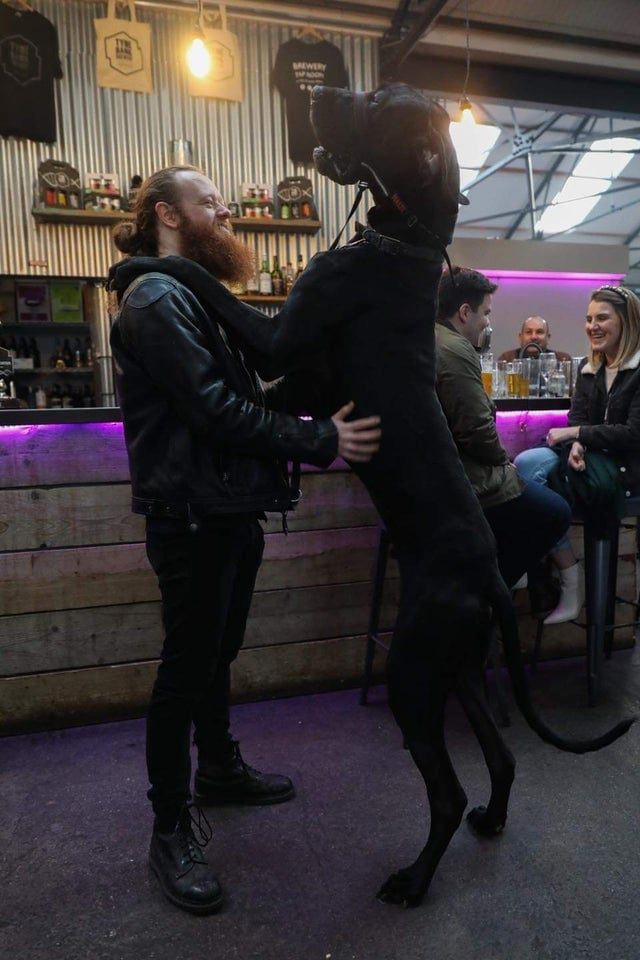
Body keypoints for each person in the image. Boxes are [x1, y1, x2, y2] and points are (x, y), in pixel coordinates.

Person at [108, 166, 381, 915]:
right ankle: (170, 829)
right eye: (209, 203)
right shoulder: (157, 298)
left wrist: (314, 384)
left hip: (225, 507)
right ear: (167, 214)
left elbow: (241, 395)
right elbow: (215, 412)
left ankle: (220, 769)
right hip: (193, 514)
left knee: (215, 654)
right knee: (185, 670)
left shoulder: (188, 293)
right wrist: (318, 439)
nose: (225, 212)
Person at [435, 267, 571, 590]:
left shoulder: (431, 338)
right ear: (465, 312)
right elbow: (477, 431)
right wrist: (502, 460)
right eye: (485, 312)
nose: (487, 322)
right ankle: (486, 593)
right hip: (462, 486)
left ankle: (492, 583)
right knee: (556, 512)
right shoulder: (456, 349)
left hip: (435, 481)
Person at [514, 285, 640, 624]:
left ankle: (548, 571)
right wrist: (577, 445)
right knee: (523, 465)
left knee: (539, 481)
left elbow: (633, 434)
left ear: (626, 321)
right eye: (589, 319)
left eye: (602, 318)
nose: (592, 326)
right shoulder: (589, 366)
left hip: (625, 468)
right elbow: (579, 419)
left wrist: (576, 436)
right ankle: (564, 568)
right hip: (592, 457)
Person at [498, 315, 572, 362]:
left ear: (548, 338)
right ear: (520, 337)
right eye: (528, 332)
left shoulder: (562, 360)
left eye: (539, 332)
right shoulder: (507, 359)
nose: (533, 337)